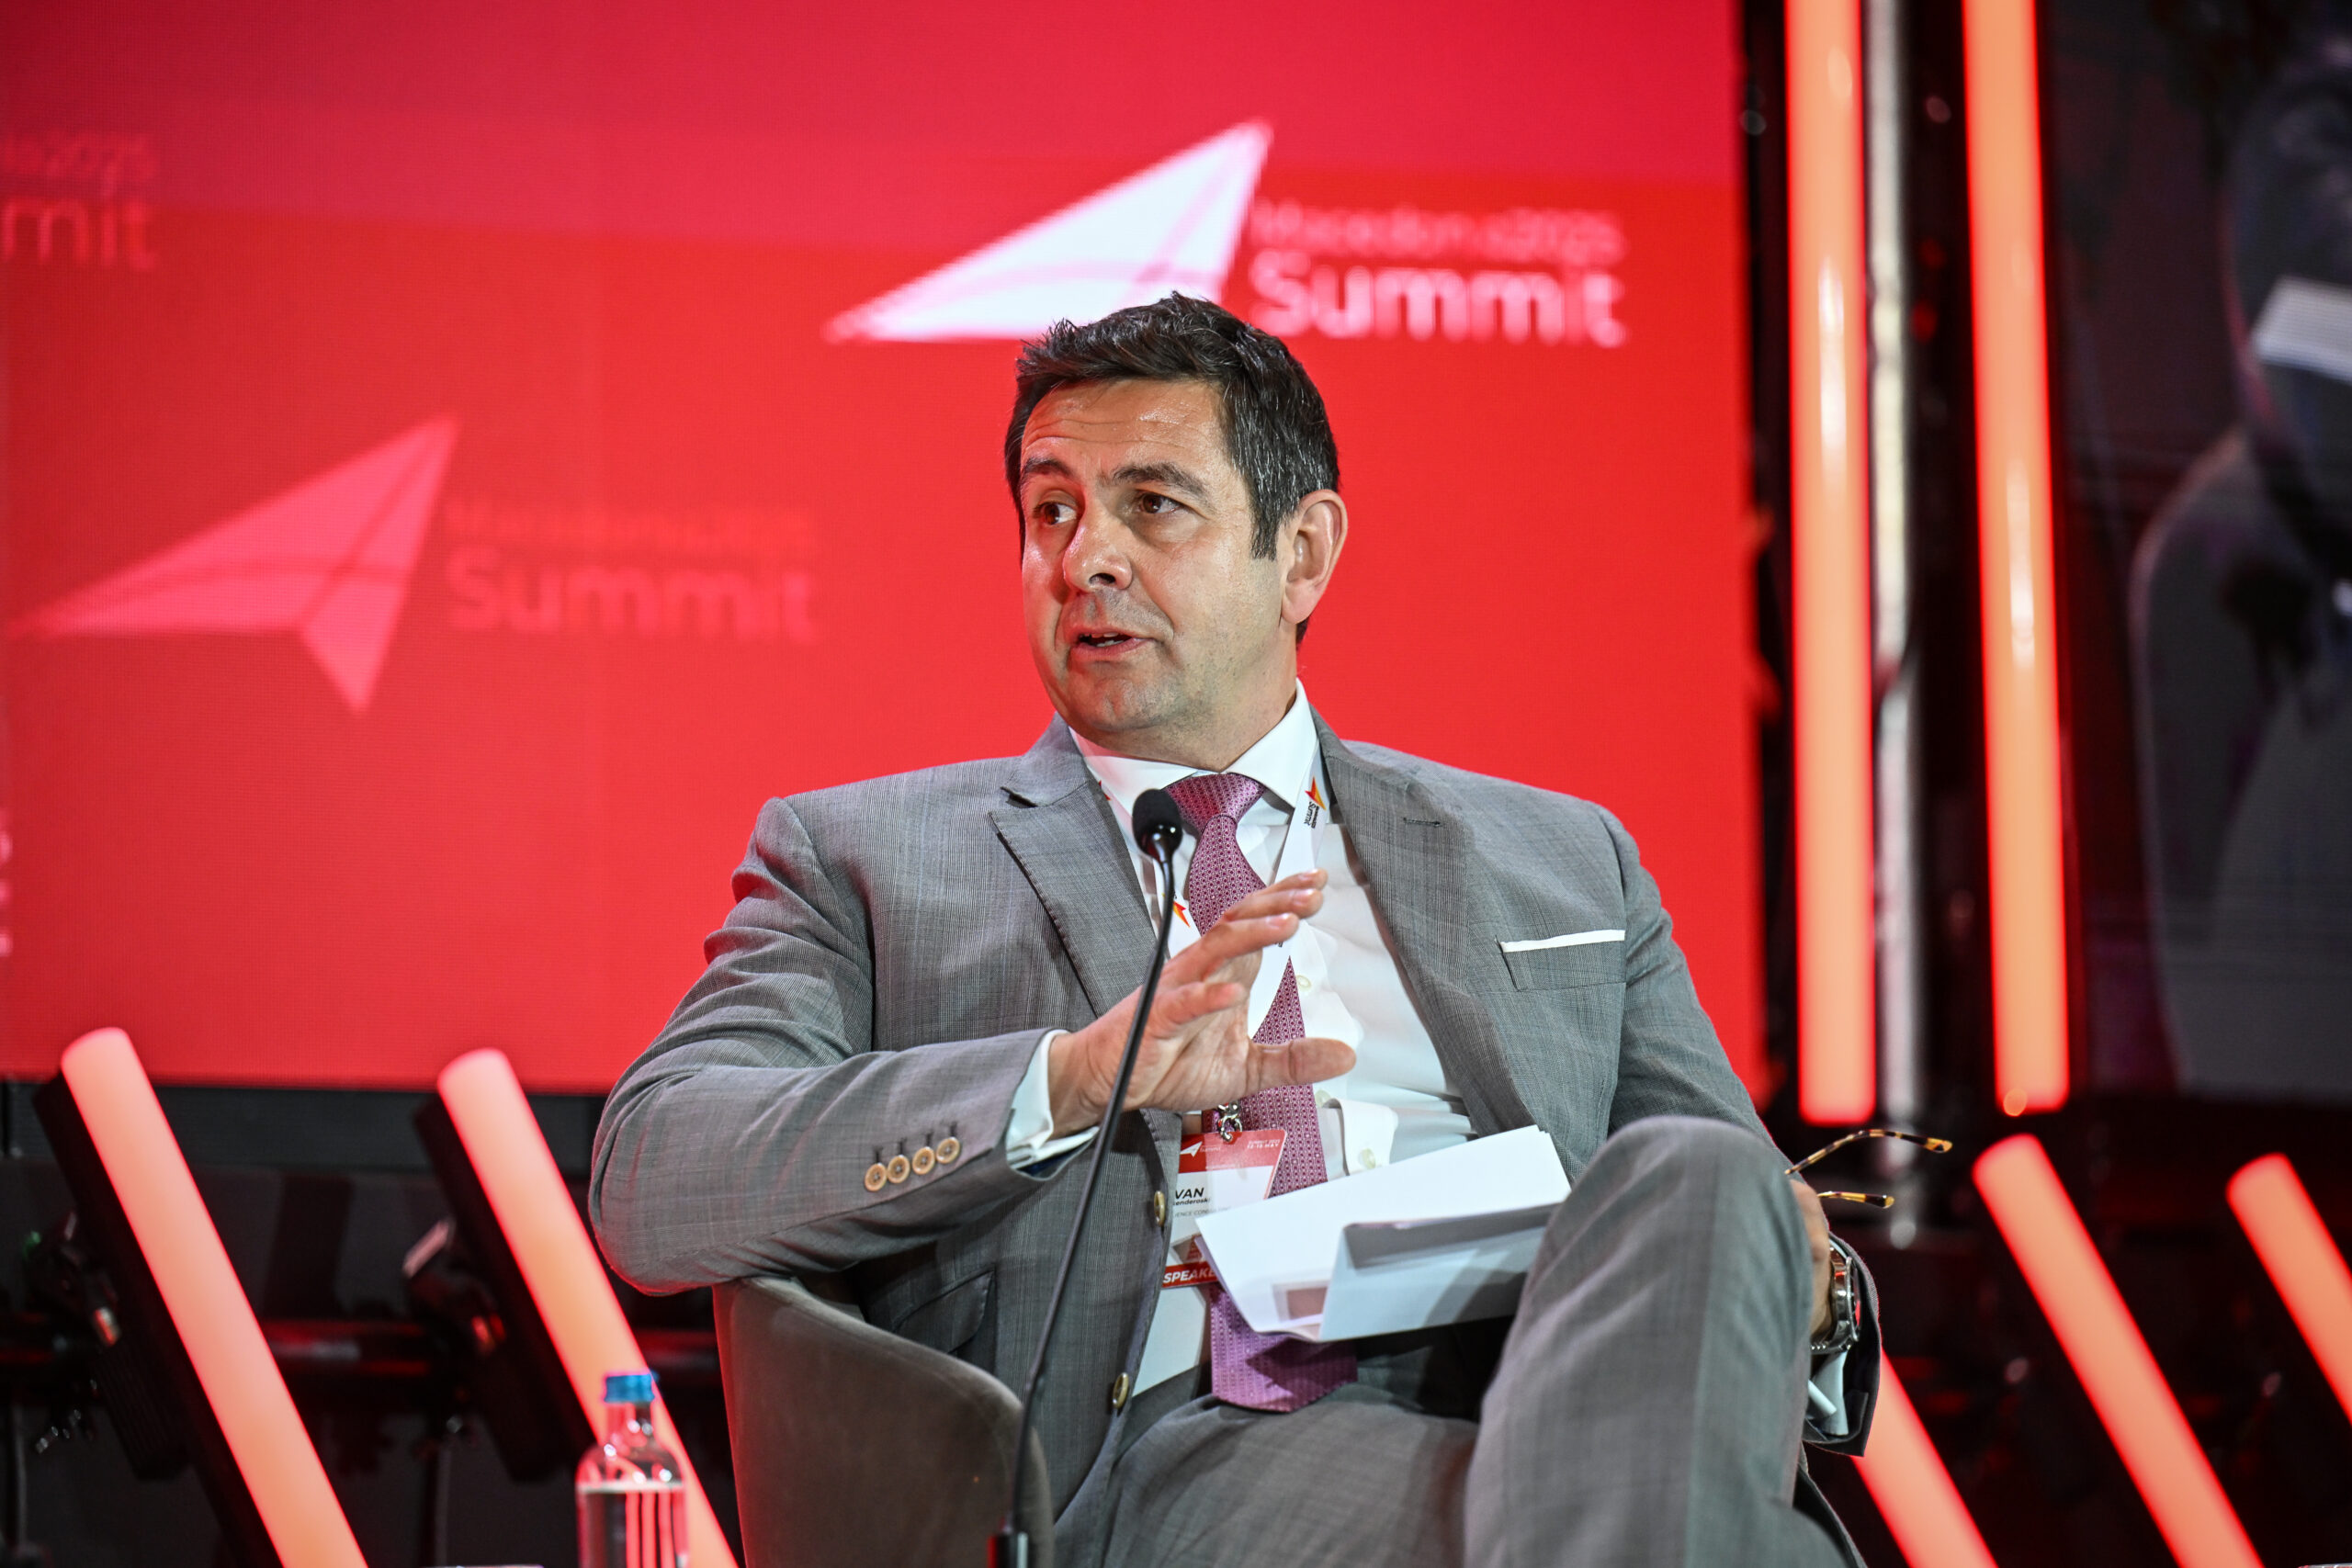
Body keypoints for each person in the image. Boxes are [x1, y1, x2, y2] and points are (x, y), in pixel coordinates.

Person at [591, 295, 1879, 1567]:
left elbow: (1751, 1225)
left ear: (1302, 553)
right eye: (1052, 512)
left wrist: (1811, 1283)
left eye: (1153, 505)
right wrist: (1073, 1080)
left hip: (1573, 1396)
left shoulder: (1562, 860)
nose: (1085, 560)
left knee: (1706, 1178)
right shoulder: (870, 860)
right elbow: (655, 1174)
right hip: (1193, 1443)